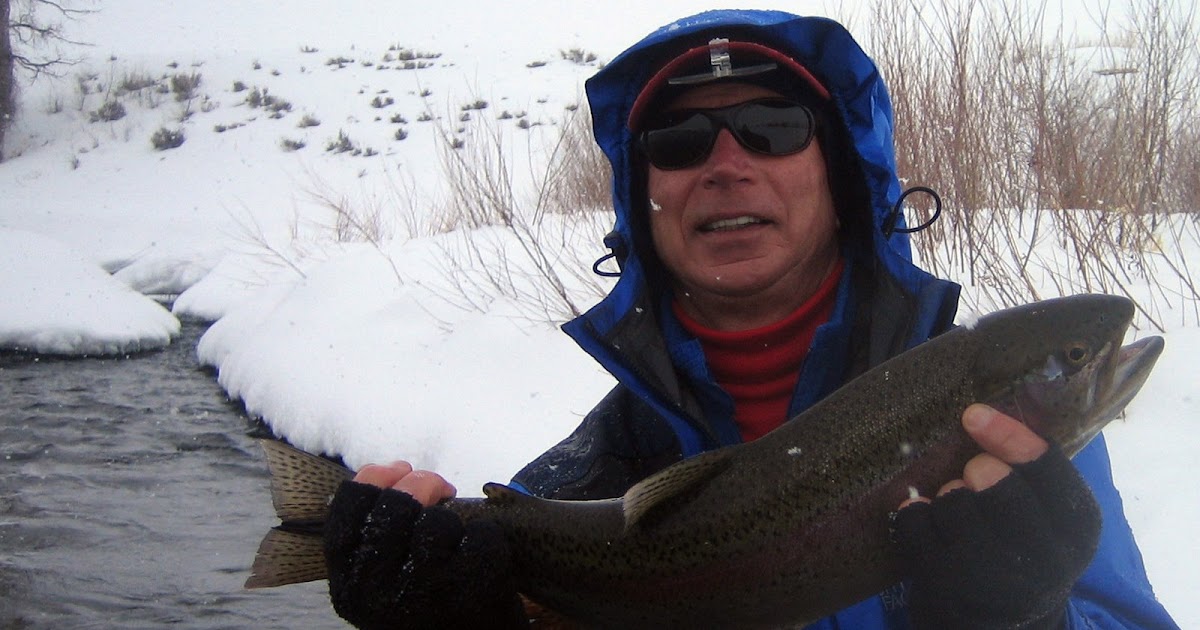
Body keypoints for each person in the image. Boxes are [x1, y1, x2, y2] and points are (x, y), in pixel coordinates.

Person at [321, 10, 1179, 629]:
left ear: (842, 176)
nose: (726, 165)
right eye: (679, 143)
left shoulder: (1010, 451)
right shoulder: (582, 487)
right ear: (644, 199)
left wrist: (1037, 620)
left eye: (772, 127)